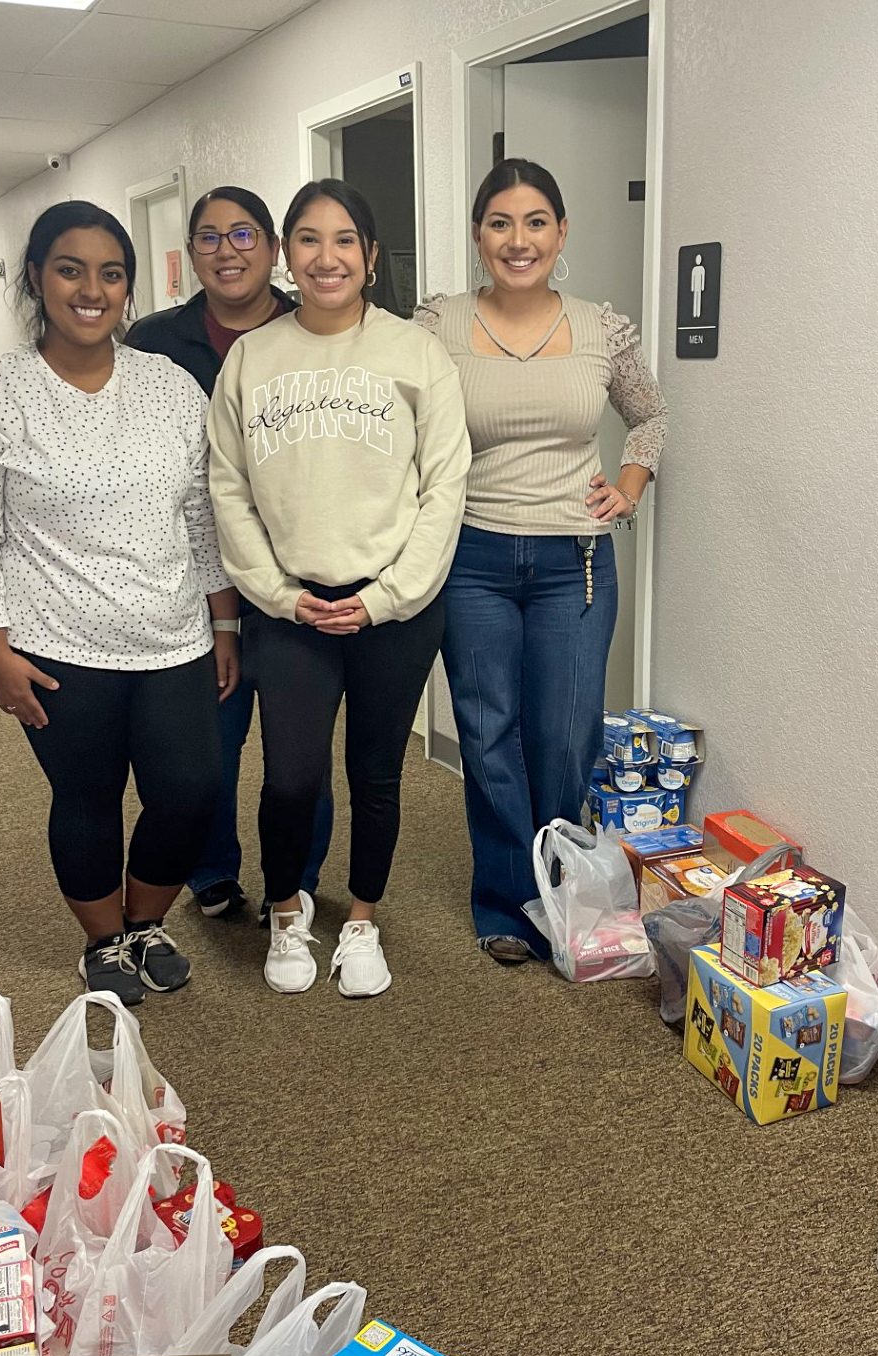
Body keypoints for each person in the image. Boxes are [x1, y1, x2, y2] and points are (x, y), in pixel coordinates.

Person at [0, 199, 237, 1006]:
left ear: (128, 286)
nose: (91, 289)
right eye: (71, 269)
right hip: (58, 645)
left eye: (110, 272)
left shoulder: (168, 387)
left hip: (173, 637)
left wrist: (223, 618)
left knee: (191, 791)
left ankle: (145, 923)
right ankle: (104, 941)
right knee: (89, 797)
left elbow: (200, 514)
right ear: (38, 277)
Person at [208, 179, 470, 998]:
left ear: (368, 257)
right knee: (289, 776)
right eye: (309, 240)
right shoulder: (252, 357)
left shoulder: (416, 352)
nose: (327, 257)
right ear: (287, 253)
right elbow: (227, 488)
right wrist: (276, 594)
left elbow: (445, 485)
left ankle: (360, 918)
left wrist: (389, 596)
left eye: (345, 240)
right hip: (289, 610)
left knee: (377, 774)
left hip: (395, 609)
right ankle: (287, 912)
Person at [415, 158, 668, 964]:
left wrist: (627, 486)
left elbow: (649, 416)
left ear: (561, 232)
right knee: (488, 733)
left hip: (576, 562)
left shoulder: (602, 327)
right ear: (478, 234)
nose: (516, 240)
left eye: (534, 223)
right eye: (499, 223)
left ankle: (564, 892)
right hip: (472, 555)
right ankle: (502, 899)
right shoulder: (436, 324)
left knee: (564, 735)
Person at [125, 184, 334, 923]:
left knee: (298, 748)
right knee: (207, 740)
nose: (227, 251)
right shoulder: (150, 343)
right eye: (209, 238)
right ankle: (210, 870)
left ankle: (299, 876)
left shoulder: (317, 324)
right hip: (190, 572)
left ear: (272, 249)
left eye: (243, 234)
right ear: (191, 256)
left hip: (298, 568)